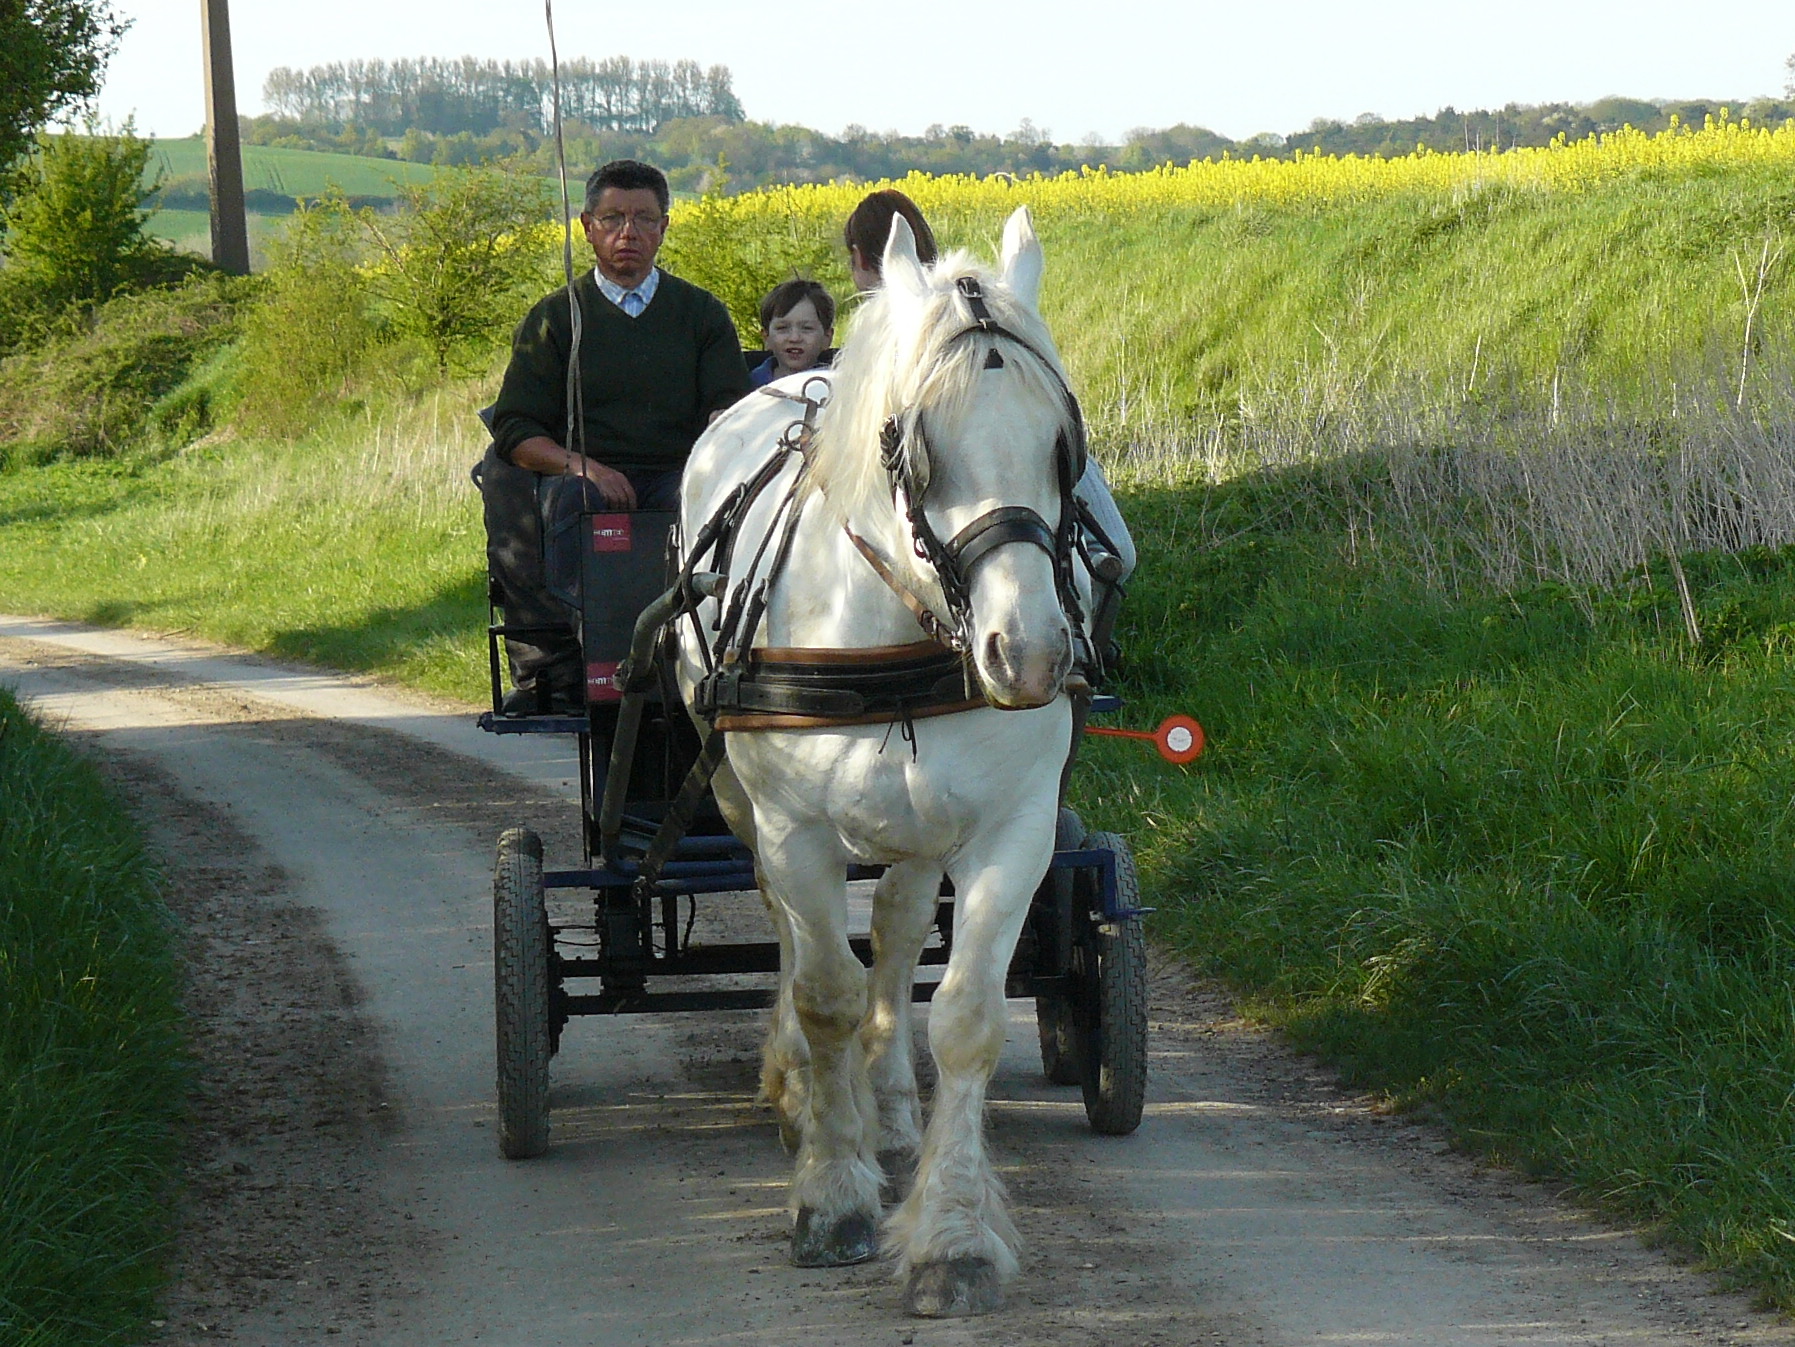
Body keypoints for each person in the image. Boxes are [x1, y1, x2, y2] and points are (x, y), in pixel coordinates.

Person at [479, 159, 748, 714]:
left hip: (680, 474)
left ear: (664, 227)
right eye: (613, 218)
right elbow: (514, 429)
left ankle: (705, 658)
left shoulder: (701, 315)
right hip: (583, 478)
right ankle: (568, 666)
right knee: (575, 503)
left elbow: (730, 417)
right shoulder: (556, 318)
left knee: (713, 510)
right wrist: (583, 466)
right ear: (587, 227)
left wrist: (699, 474)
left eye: (644, 219)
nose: (629, 233)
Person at [842, 189, 1136, 660]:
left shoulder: (890, 325)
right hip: (1013, 442)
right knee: (1118, 551)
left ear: (858, 258)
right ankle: (1092, 646)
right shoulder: (974, 305)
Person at [748, 278, 835, 387]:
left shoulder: (838, 386)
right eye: (782, 328)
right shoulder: (747, 387)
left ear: (827, 337)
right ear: (766, 337)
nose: (794, 338)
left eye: (807, 328)